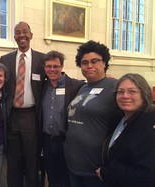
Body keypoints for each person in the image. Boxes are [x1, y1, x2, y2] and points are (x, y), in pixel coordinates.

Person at [64, 40, 123, 187]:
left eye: (94, 61)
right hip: (73, 163)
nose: (89, 66)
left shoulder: (115, 87)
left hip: (96, 169)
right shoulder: (82, 87)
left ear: (104, 63)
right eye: (84, 62)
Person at [0, 21, 46, 187]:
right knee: (13, 161)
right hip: (12, 116)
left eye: (25, 31)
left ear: (31, 35)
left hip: (31, 116)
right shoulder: (5, 59)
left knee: (31, 161)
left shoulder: (42, 59)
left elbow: (56, 78)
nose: (21, 35)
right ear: (14, 37)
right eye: (18, 32)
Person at [96, 73, 155, 187]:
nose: (125, 96)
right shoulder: (120, 117)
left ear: (144, 94)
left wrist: (106, 173)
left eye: (132, 91)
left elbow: (147, 175)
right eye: (120, 91)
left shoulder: (150, 125)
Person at [41, 50, 85, 187]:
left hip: (66, 142)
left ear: (62, 66)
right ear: (44, 68)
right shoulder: (42, 87)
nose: (52, 69)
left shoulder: (76, 86)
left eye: (56, 66)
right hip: (47, 142)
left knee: (67, 179)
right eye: (48, 66)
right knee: (52, 178)